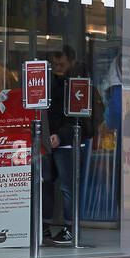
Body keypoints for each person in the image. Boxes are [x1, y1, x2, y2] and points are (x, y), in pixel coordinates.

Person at [43, 45, 83, 245]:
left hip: (67, 142)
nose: (58, 67)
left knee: (67, 187)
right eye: (55, 64)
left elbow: (79, 117)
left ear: (71, 63)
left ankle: (69, 228)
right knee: (46, 183)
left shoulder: (76, 85)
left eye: (62, 64)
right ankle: (46, 226)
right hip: (49, 140)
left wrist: (60, 135)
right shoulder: (50, 84)